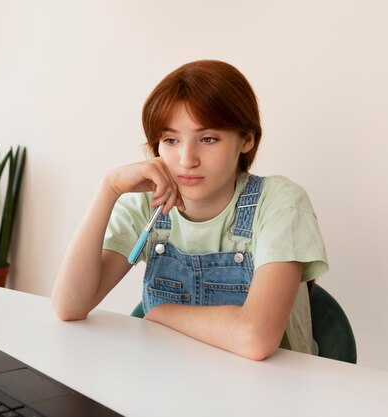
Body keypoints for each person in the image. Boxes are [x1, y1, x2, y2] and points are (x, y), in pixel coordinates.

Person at [51, 59, 328, 361]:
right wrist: (109, 189)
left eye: (208, 139)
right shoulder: (148, 202)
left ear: (247, 139)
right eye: (170, 140)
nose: (187, 159)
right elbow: (69, 306)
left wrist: (162, 313)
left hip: (272, 389)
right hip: (171, 376)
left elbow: (255, 338)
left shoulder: (280, 202)